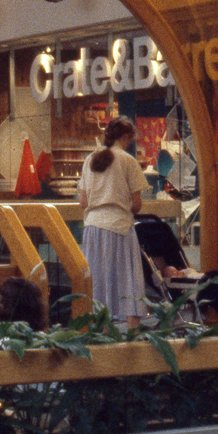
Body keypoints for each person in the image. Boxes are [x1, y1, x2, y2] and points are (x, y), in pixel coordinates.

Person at [78, 116, 148, 332]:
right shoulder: (128, 161)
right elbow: (136, 205)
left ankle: (101, 333)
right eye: (130, 139)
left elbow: (83, 202)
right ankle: (133, 331)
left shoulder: (90, 159)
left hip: (92, 228)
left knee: (98, 280)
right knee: (128, 278)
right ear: (126, 136)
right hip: (118, 227)